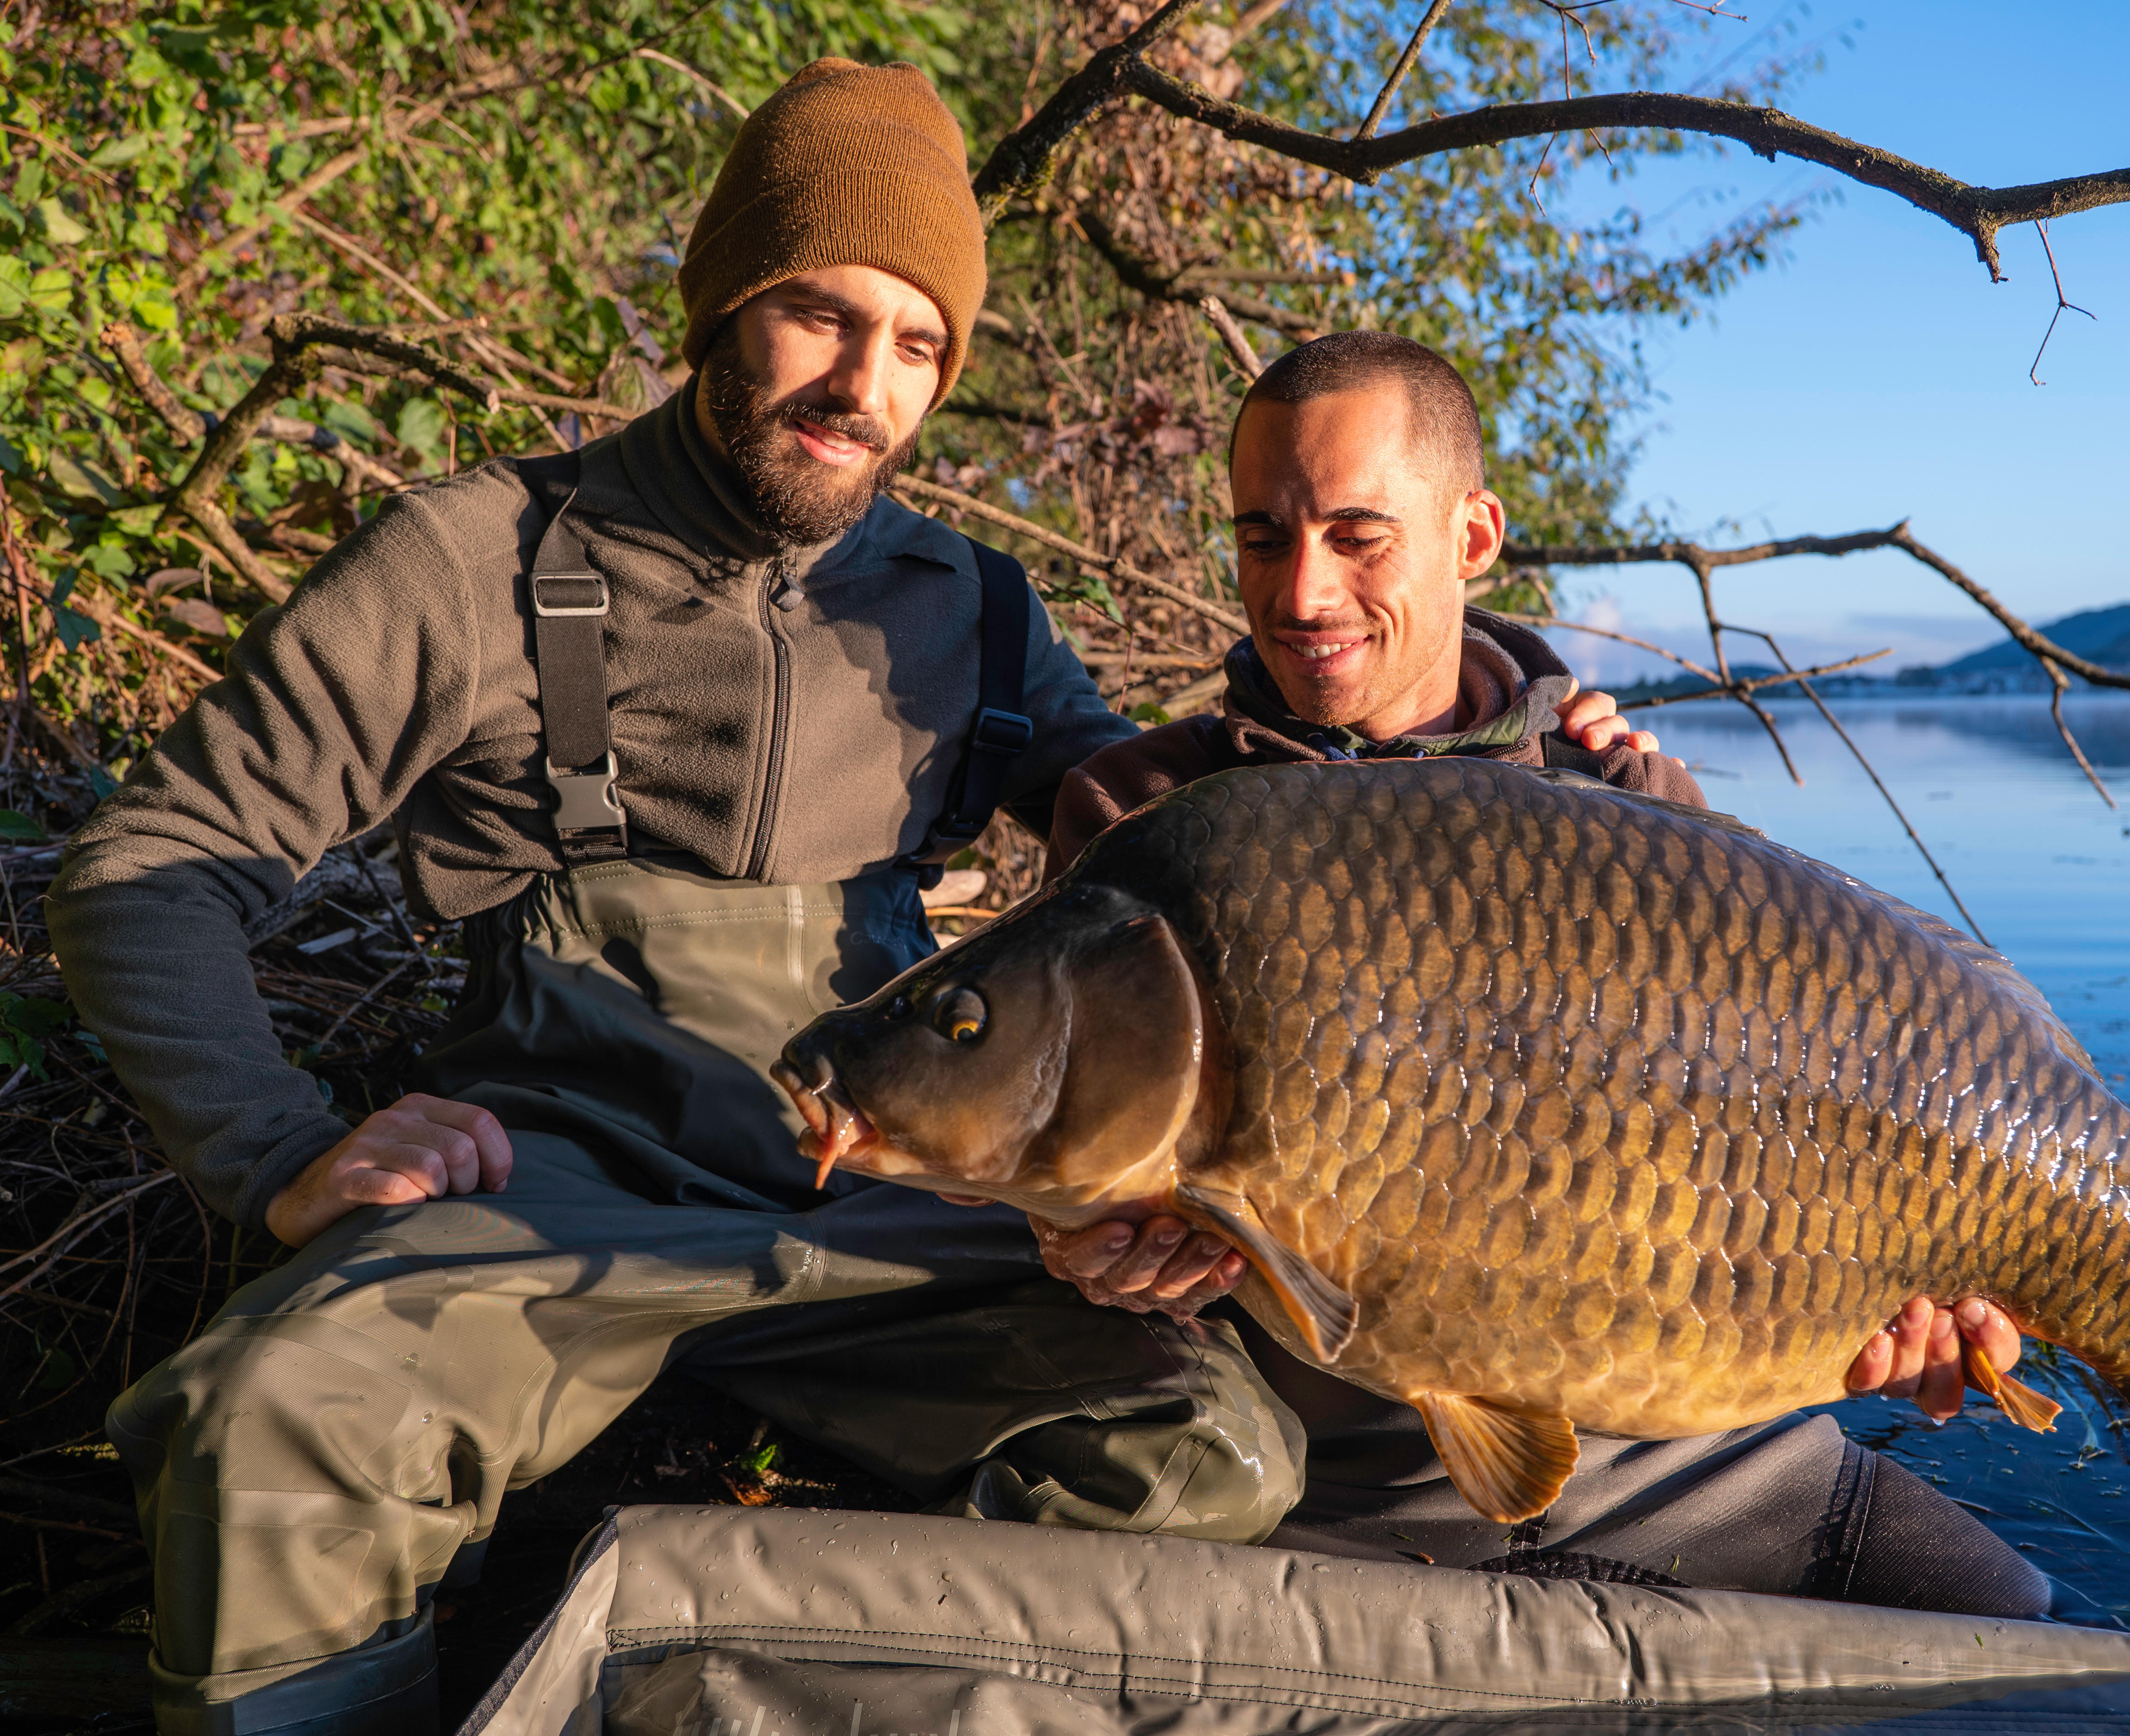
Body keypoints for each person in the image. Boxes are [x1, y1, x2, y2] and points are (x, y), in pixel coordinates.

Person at [48, 64, 1656, 1736]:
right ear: (722, 300)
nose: (862, 387)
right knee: (274, 1424)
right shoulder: (472, 559)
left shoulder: (972, 607)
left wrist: (1524, 773)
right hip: (562, 1189)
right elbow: (150, 865)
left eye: (917, 346)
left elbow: (1202, 854)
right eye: (819, 316)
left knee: (1209, 1451)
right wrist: (280, 1151)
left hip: (885, 1210)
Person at [1035, 331, 2052, 1618]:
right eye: (1261, 537)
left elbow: (1802, 1148)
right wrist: (1073, 1243)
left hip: (1684, 1454)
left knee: (2018, 1634)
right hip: (1328, 1483)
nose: (1300, 592)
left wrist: (1893, 1306)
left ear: (1472, 537)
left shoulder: (1624, 798)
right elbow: (1046, 1161)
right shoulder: (1141, 814)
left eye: (1359, 535)